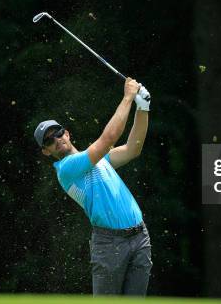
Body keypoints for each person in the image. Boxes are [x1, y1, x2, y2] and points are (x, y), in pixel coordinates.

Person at [34, 77, 152, 296]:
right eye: (49, 141)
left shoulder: (100, 159)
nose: (57, 140)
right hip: (110, 244)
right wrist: (128, 97)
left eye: (58, 133)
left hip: (140, 237)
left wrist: (142, 108)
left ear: (67, 133)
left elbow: (133, 148)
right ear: (46, 151)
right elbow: (108, 139)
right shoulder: (66, 169)